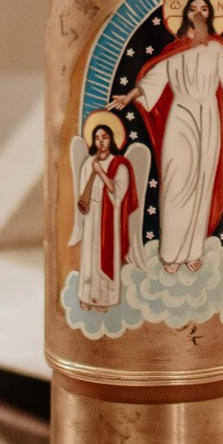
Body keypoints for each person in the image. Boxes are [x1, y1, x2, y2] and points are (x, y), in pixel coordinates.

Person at [111, 0, 223, 273]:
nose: (199, 13)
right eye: (193, 9)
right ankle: (171, 253)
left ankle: (193, 251)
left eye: (204, 8)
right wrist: (128, 97)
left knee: (202, 180)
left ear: (210, 14)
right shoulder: (175, 50)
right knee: (177, 180)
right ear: (186, 14)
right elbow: (153, 81)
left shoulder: (217, 49)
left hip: (208, 118)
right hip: (181, 116)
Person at [76, 121, 137, 309]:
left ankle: (104, 299)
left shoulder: (120, 164)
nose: (101, 141)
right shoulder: (88, 164)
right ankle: (87, 296)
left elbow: (117, 193)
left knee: (105, 255)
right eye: (97, 138)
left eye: (105, 137)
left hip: (109, 218)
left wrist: (101, 172)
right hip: (92, 216)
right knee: (89, 257)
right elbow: (83, 193)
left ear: (111, 139)